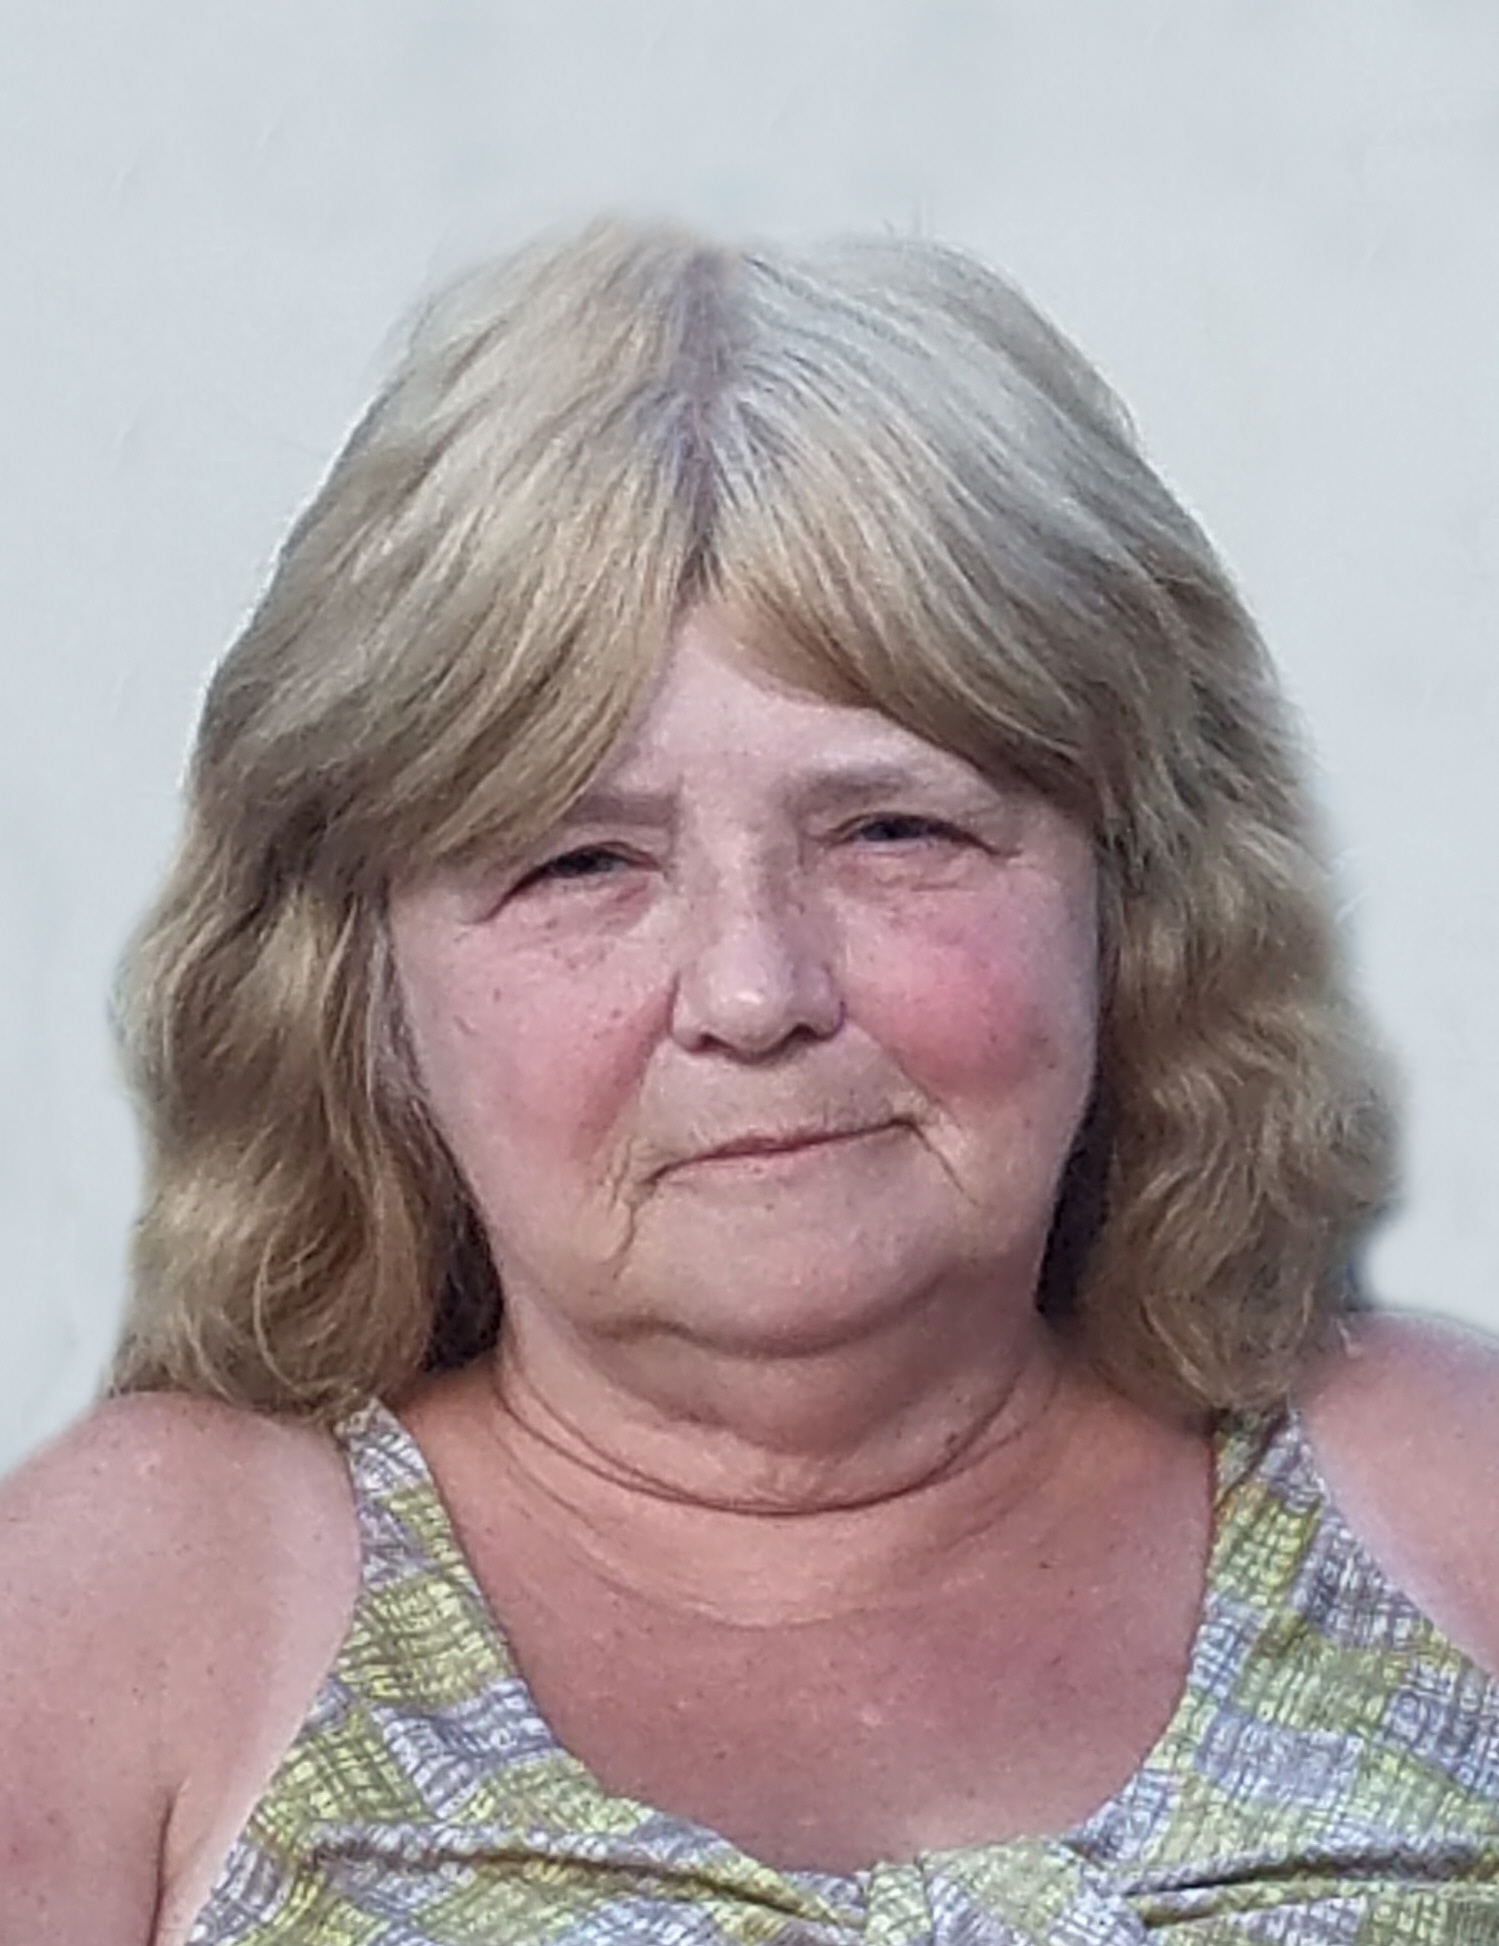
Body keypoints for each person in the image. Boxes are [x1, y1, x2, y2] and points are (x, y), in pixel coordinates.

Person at [2, 217, 1496, 1946]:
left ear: (1136, 903)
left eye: (893, 831)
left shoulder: (1445, 1500)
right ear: (359, 986)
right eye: (581, 863)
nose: (755, 989)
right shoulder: (136, 1615)